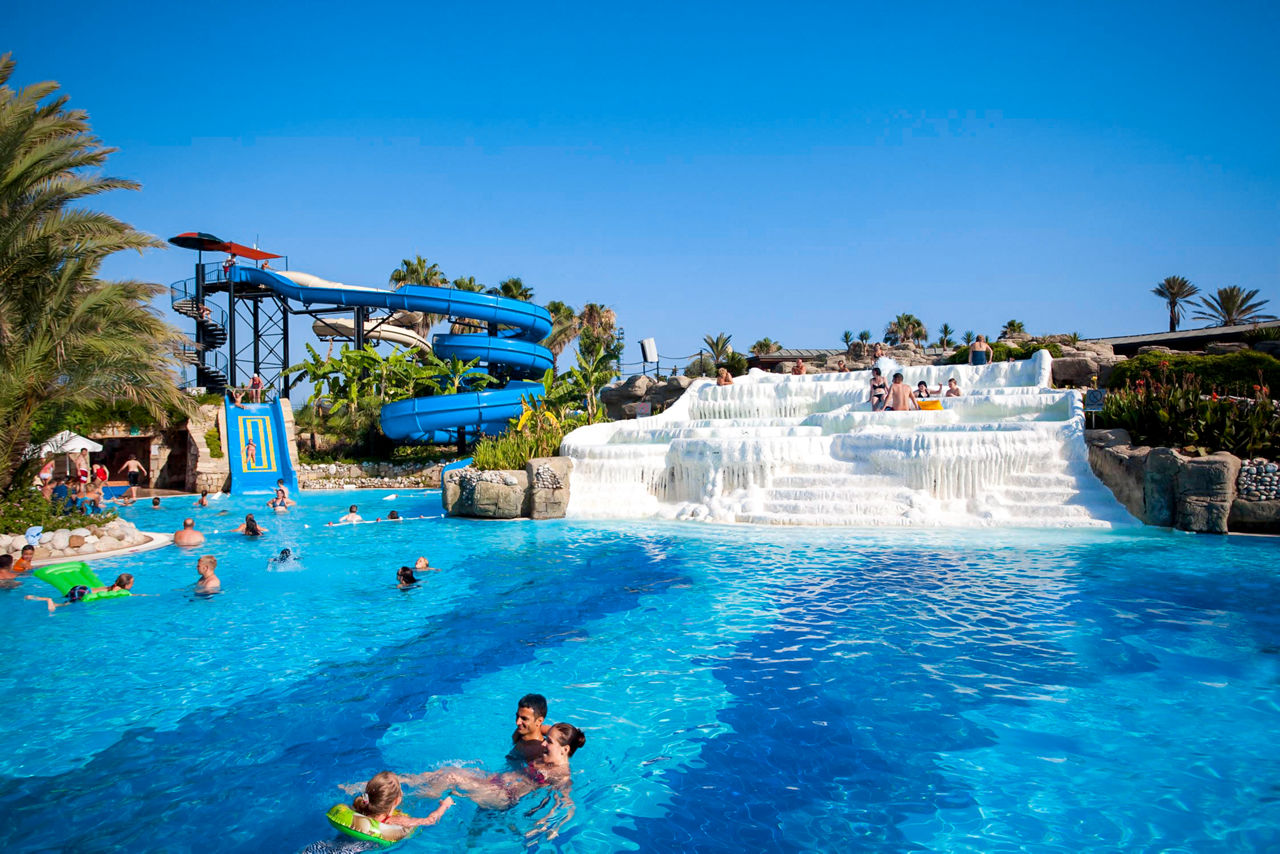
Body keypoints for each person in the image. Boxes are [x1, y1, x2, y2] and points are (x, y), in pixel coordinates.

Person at [410, 722, 584, 811]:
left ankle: (411, 802)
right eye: (546, 739)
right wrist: (537, 725)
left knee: (451, 777)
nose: (543, 743)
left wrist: (547, 825)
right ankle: (405, 781)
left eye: (549, 741)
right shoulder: (550, 755)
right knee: (446, 771)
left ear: (565, 749)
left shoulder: (561, 774)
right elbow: (543, 728)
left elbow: (565, 801)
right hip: (494, 781)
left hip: (503, 796)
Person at [341, 771, 454, 843]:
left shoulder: (359, 808)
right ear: (396, 801)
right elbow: (430, 821)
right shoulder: (396, 820)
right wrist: (444, 806)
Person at [26, 573, 133, 612]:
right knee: (65, 605)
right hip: (84, 592)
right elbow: (116, 594)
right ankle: (49, 601)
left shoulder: (113, 586)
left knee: (63, 599)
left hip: (81, 588)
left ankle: (37, 598)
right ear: (127, 585)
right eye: (132, 583)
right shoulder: (118, 589)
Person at [509, 693, 551, 762]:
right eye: (517, 716)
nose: (517, 722)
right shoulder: (519, 733)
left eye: (524, 718)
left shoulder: (540, 753)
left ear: (539, 721)